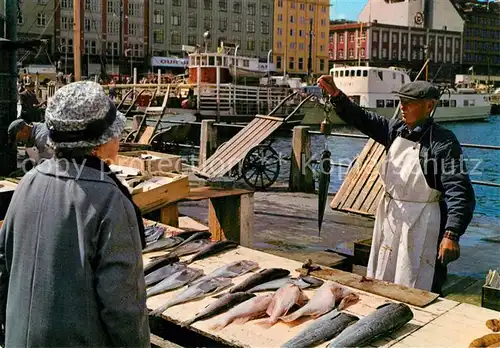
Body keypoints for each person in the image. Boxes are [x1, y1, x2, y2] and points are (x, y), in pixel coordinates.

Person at [0, 81, 150, 347]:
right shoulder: (111, 200)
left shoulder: (27, 183)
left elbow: (5, 268)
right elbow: (123, 308)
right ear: (101, 142)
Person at [317, 76, 476, 294]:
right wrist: (337, 96)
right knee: (384, 270)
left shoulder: (443, 142)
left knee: (419, 278)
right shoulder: (396, 130)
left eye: (409, 102)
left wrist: (452, 234)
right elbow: (362, 118)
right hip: (391, 215)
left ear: (429, 106)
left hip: (423, 220)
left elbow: (460, 191)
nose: (402, 107)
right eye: (401, 101)